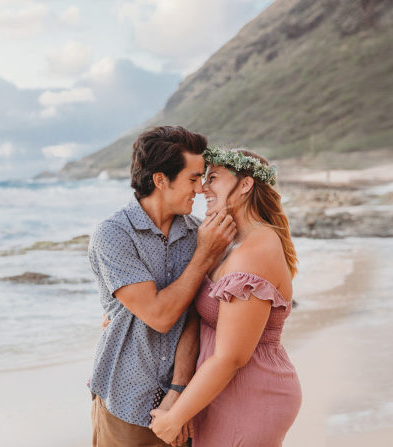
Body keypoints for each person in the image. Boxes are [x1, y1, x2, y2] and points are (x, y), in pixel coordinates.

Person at [88, 126, 237, 446]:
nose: (199, 189)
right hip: (123, 401)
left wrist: (179, 393)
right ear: (160, 180)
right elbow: (160, 315)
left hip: (186, 404)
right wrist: (203, 257)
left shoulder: (200, 234)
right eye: (193, 178)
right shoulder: (114, 235)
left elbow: (195, 318)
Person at [149, 147, 301, 447]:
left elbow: (231, 357)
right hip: (223, 392)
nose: (203, 187)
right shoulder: (233, 243)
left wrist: (175, 416)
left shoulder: (254, 253)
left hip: (250, 395)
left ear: (245, 185)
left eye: (214, 178)